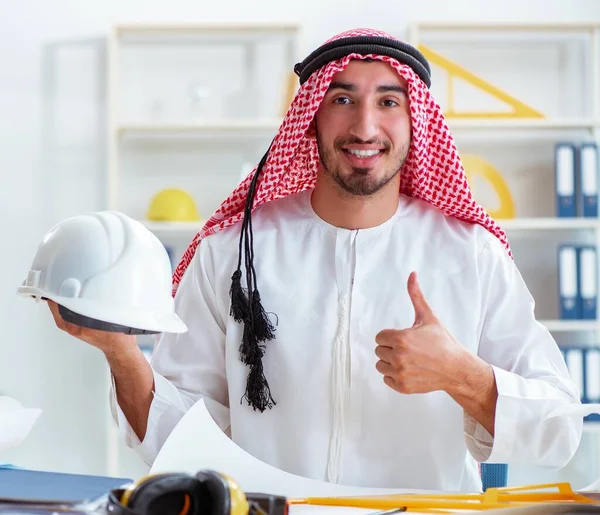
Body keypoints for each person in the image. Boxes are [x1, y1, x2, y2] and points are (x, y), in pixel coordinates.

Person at [48, 28, 582, 492]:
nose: (365, 128)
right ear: (311, 117)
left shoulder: (472, 254)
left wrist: (462, 374)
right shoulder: (234, 250)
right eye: (343, 100)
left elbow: (560, 426)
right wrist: (120, 353)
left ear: (416, 119)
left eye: (389, 102)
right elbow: (177, 440)